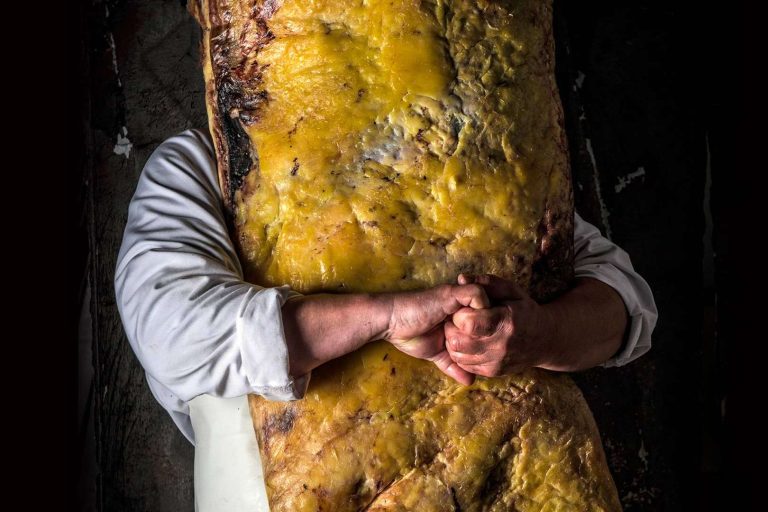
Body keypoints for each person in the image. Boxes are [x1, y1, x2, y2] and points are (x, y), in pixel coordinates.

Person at [114, 129, 658, 443]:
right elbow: (171, 334)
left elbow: (626, 305)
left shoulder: (466, 144)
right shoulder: (205, 160)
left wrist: (545, 333)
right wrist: (387, 316)